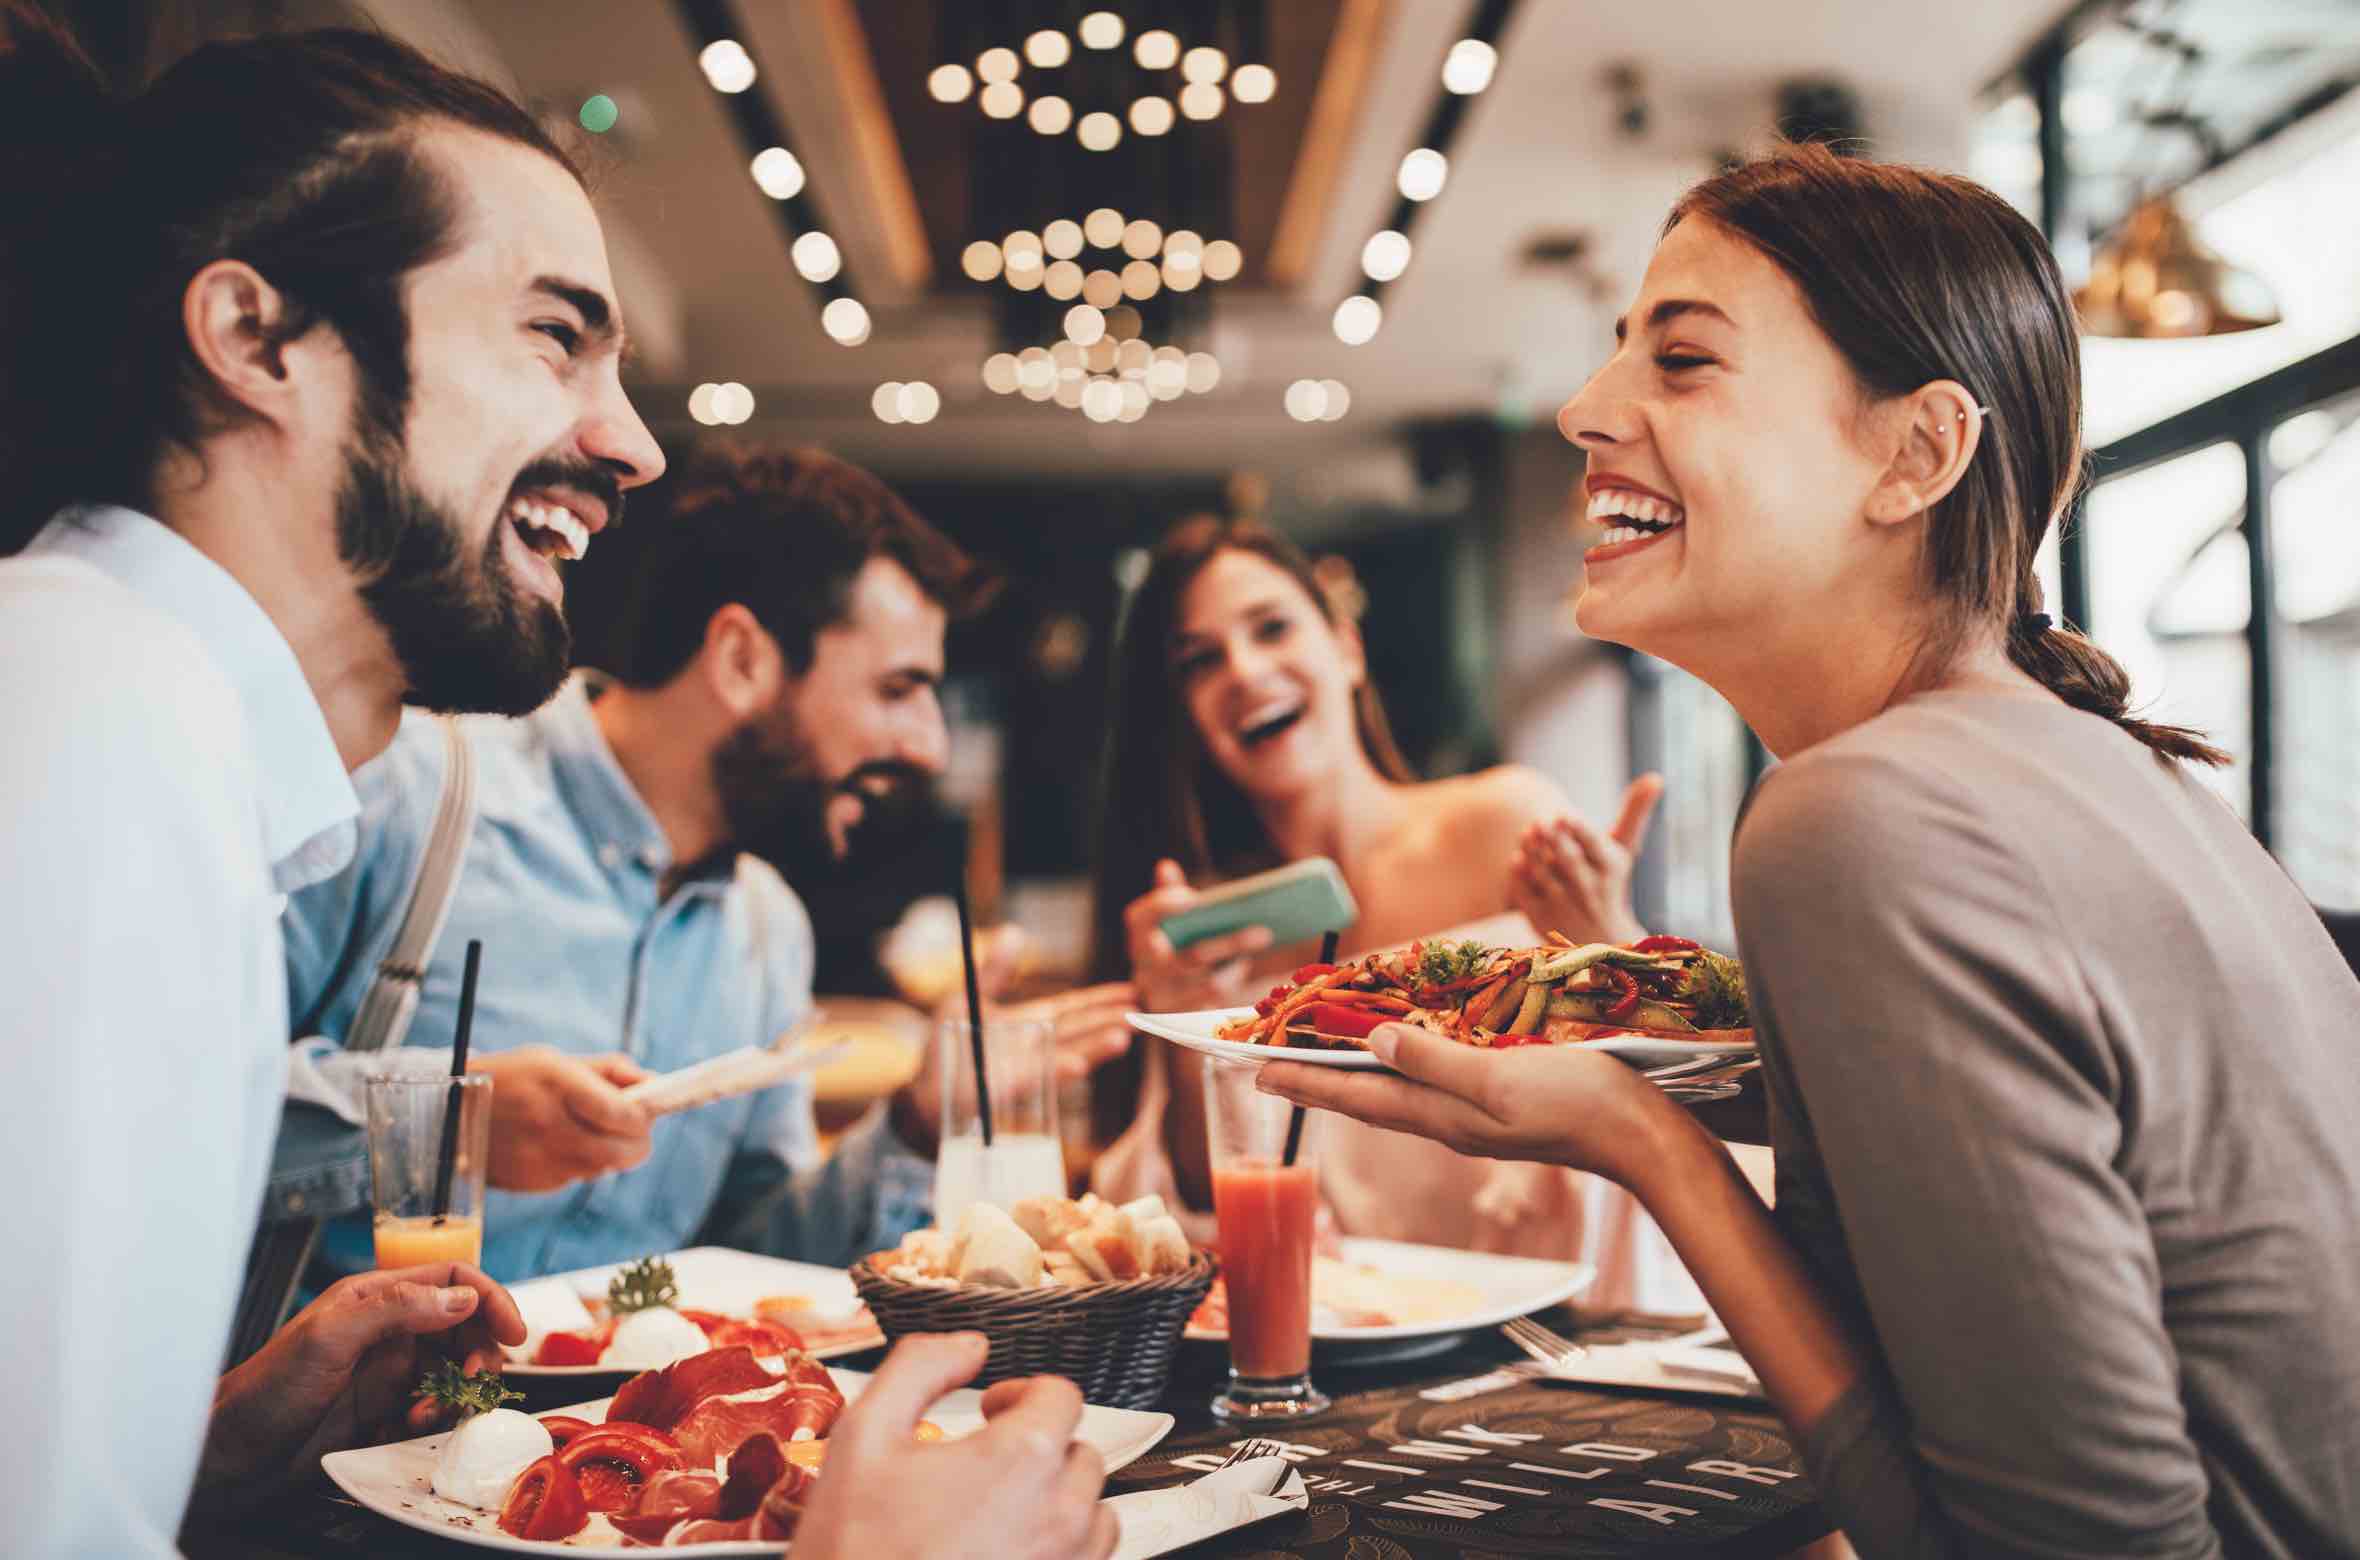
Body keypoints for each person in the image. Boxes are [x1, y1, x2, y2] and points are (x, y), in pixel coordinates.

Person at [0, 17, 1104, 1556]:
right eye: (550, 336)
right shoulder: (93, 730)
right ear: (258, 342)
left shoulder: (145, 722)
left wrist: (211, 1458)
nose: (633, 448)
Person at [1259, 144, 2360, 1556]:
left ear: (1914, 456)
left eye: (1684, 361)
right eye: (1616, 357)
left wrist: (1642, 1138)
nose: (1589, 413)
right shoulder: (2113, 771)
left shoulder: (1860, 813)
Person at [286, 445, 1135, 1282]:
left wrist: (916, 1123)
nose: (930, 744)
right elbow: (177, 1104)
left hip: (621, 1421)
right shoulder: (405, 793)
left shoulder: (767, 928)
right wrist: (449, 1124)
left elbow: (758, 1263)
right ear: (740, 660)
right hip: (352, 1419)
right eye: (897, 689)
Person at [1086, 516, 1692, 1307]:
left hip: (1563, 1317)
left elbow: (1655, 1096)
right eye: (1200, 662)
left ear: (1346, 648)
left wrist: (1613, 944)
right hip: (1343, 1350)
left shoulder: (1503, 827)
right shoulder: (1218, 936)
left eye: (1271, 629)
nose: (1243, 670)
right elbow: (1209, 1206)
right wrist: (1180, 1025)